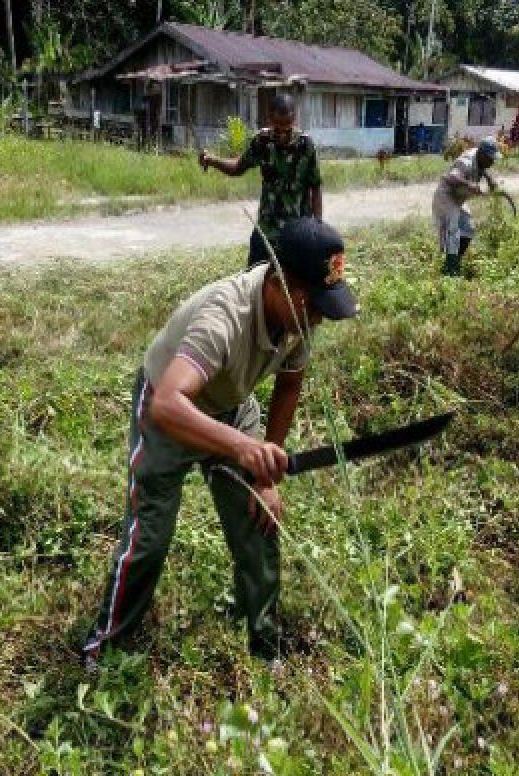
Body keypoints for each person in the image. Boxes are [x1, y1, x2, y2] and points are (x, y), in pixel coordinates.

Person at [82, 218, 357, 667]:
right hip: (168, 414)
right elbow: (168, 406)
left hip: (230, 404)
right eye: (312, 304)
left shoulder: (301, 316)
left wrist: (265, 473)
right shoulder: (223, 316)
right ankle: (104, 646)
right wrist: (239, 447)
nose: (318, 318)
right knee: (149, 536)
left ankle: (265, 644)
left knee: (259, 520)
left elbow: (290, 384)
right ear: (278, 283)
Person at [199, 95, 322, 266]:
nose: (282, 136)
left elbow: (315, 187)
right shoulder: (262, 142)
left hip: (297, 230)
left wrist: (317, 227)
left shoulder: (306, 145)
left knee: (293, 283)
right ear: (270, 119)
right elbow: (237, 168)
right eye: (277, 129)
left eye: (287, 130)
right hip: (267, 229)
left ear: (294, 119)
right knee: (253, 277)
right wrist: (211, 160)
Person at [431, 137, 500, 277]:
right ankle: (450, 271)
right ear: (482, 154)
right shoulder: (466, 162)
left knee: (468, 229)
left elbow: (482, 166)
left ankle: (455, 262)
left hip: (459, 199)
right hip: (447, 197)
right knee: (454, 232)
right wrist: (469, 185)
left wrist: (489, 178)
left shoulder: (480, 157)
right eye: (490, 158)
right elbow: (450, 178)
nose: (492, 162)